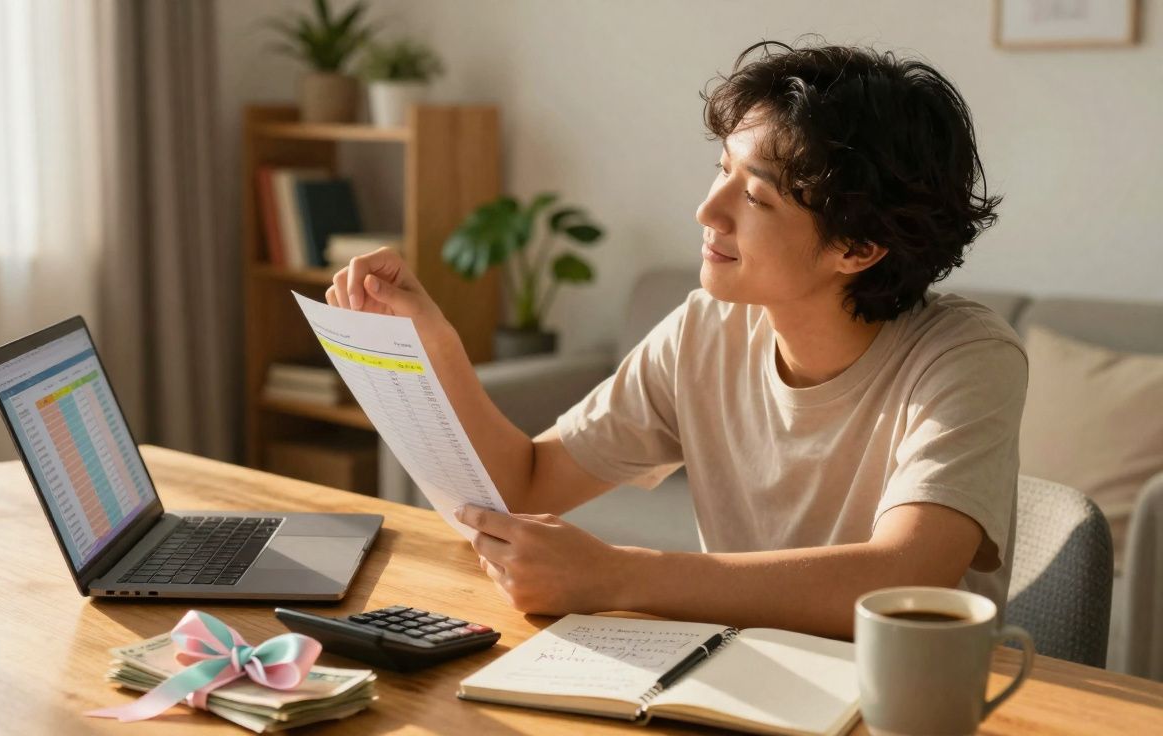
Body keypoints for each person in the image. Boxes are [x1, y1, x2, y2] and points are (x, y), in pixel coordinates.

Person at [325, 40, 1026, 639]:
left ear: (859, 245)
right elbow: (527, 483)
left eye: (754, 197)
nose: (707, 210)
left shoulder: (965, 357)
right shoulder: (705, 330)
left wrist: (620, 575)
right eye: (722, 170)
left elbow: (901, 579)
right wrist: (436, 344)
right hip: (733, 676)